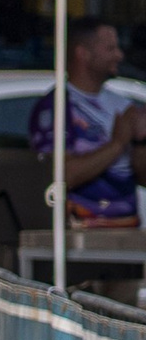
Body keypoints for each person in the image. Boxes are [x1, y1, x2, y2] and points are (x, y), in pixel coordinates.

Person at [30, 15, 144, 226]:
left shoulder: (123, 105)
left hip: (128, 229)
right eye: (110, 49)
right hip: (81, 233)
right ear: (83, 54)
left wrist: (140, 142)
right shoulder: (56, 106)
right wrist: (117, 144)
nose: (119, 56)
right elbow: (59, 175)